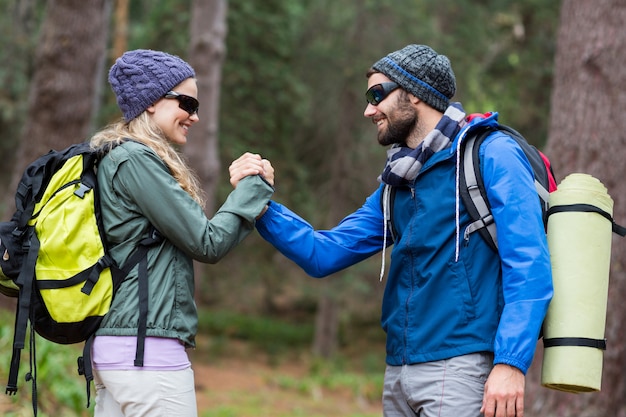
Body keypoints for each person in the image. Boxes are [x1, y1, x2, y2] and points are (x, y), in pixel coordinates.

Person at [233, 44, 553, 417]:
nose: (368, 109)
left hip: (463, 367)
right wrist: (260, 204)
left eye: (376, 95)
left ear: (413, 93)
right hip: (399, 374)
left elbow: (528, 265)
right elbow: (324, 253)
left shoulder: (491, 153)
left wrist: (511, 363)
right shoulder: (397, 183)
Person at [89, 49, 274, 417]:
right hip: (147, 354)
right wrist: (254, 187)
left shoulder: (116, 158)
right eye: (187, 103)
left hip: (121, 350)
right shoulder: (134, 159)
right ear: (152, 102)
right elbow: (207, 241)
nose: (195, 116)